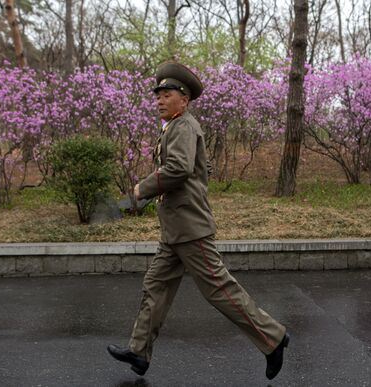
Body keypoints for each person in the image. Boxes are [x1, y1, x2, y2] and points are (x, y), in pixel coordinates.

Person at [107, 61, 289, 380]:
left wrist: (142, 188)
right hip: (175, 229)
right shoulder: (176, 127)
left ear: (185, 99)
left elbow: (178, 168)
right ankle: (139, 351)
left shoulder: (184, 126)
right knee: (155, 286)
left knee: (219, 290)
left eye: (167, 93)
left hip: (190, 229)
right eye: (158, 94)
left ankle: (272, 339)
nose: (160, 99)